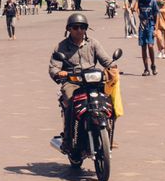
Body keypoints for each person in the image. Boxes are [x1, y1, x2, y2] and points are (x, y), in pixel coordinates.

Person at [48, 12, 115, 155]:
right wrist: (59, 73)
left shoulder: (93, 43)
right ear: (69, 29)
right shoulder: (61, 47)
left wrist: (113, 67)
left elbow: (107, 60)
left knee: (110, 101)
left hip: (93, 81)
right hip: (73, 82)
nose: (79, 30)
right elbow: (54, 67)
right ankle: (67, 141)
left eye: (82, 27)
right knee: (70, 102)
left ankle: (108, 135)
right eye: (76, 27)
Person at [136, 0, 158, 76]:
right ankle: (146, 69)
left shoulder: (152, 0)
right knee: (143, 47)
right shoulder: (140, 0)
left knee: (150, 45)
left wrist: (155, 28)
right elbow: (134, 9)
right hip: (142, 25)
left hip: (150, 24)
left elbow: (156, 14)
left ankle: (153, 65)